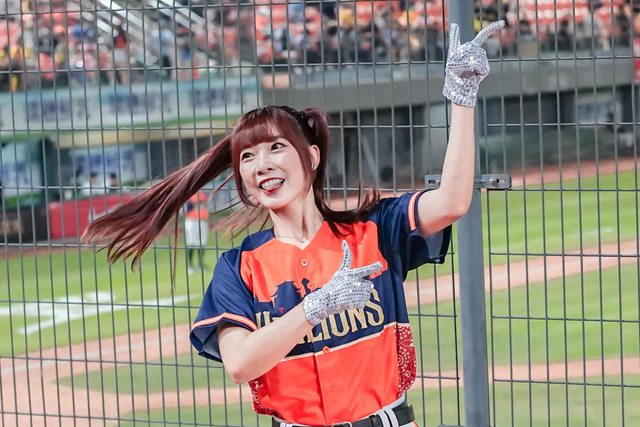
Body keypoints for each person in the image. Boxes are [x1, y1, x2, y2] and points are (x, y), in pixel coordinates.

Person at [83, 20, 504, 427]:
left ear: (312, 157)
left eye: (276, 147)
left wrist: (461, 97)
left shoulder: (375, 230)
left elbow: (451, 201)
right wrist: (315, 307)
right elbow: (239, 363)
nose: (261, 164)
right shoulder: (240, 267)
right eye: (248, 156)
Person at [184, 190, 210, 274]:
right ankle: (190, 266)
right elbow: (187, 209)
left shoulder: (202, 194)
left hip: (202, 221)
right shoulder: (189, 196)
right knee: (191, 243)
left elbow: (206, 207)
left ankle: (200, 264)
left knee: (202, 243)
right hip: (192, 221)